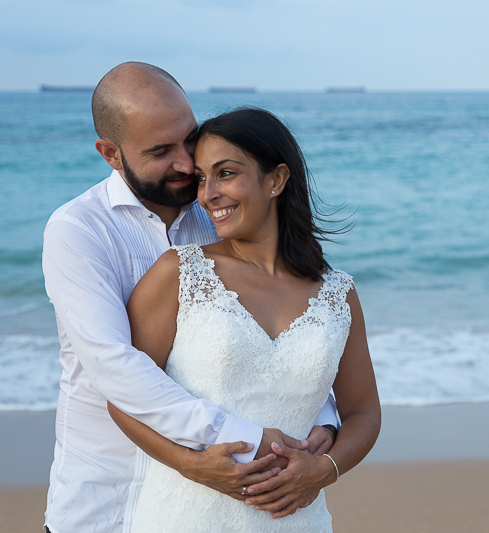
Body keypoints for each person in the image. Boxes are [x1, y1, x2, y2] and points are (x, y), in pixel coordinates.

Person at [41, 63, 339, 533]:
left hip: (217, 508)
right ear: (110, 154)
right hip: (107, 502)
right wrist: (235, 441)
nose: (185, 163)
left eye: (189, 138)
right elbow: (114, 366)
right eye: (161, 151)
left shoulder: (218, 213)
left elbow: (275, 329)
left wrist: (321, 419)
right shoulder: (78, 231)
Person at [107, 108, 382, 531]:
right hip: (187, 515)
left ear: (276, 179)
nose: (207, 194)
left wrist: (326, 469)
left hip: (296, 519)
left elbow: (363, 412)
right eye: (201, 178)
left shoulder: (337, 293)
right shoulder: (179, 273)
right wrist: (189, 465)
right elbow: (123, 397)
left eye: (226, 173)